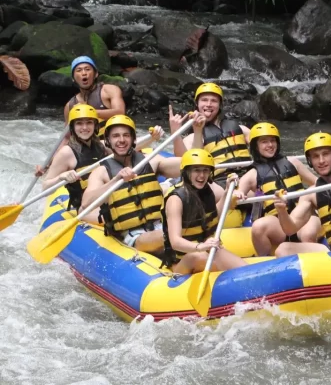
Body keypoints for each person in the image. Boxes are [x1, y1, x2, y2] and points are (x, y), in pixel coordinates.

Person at [39, 106, 164, 223]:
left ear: (95, 125)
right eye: (79, 123)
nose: (84, 127)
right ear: (72, 127)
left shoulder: (101, 145)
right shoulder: (66, 153)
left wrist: (152, 138)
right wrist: (62, 177)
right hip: (88, 206)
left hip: (111, 197)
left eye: (89, 122)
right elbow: (45, 188)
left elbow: (130, 146)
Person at [82, 115, 179, 253]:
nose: (121, 140)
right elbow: (86, 203)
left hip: (160, 225)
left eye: (126, 135)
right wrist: (115, 180)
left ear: (134, 139)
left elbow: (186, 166)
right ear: (108, 140)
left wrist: (177, 132)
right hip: (133, 235)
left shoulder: (151, 160)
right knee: (174, 233)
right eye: (115, 136)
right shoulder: (101, 172)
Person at [232, 122, 321, 256]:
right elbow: (236, 195)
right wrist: (236, 193)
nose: (270, 145)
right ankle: (266, 262)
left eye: (273, 141)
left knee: (308, 234)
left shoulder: (293, 162)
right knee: (258, 227)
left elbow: (316, 183)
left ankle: (314, 262)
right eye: (264, 142)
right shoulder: (252, 174)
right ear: (255, 146)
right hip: (278, 223)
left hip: (304, 216)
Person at [162, 149, 247, 274]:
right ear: (186, 172)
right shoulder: (176, 199)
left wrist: (228, 192)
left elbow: (213, 217)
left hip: (210, 250)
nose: (202, 175)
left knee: (243, 270)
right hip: (183, 261)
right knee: (199, 257)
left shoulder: (206, 191)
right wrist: (200, 247)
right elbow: (175, 241)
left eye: (205, 170)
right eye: (196, 170)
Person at [169, 83, 251, 187]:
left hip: (248, 177)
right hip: (219, 182)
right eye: (204, 100)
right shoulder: (192, 137)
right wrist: (176, 132)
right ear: (197, 104)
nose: (209, 104)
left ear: (220, 105)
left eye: (214, 101)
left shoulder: (240, 129)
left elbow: (264, 145)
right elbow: (182, 160)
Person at [64, 56, 126, 138]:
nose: (84, 73)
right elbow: (67, 136)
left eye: (87, 69)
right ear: (73, 78)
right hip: (88, 146)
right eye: (79, 70)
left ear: (96, 74)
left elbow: (120, 112)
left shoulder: (109, 90)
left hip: (113, 141)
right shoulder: (70, 105)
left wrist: (87, 112)